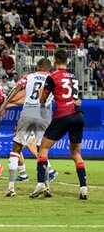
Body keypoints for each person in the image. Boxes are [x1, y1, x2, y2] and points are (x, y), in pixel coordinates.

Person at [29, 49, 87, 200]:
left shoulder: (52, 77)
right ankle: (83, 188)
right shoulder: (74, 76)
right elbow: (74, 96)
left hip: (63, 114)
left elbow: (42, 99)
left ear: (54, 60)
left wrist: (43, 95)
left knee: (43, 148)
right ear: (67, 61)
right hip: (78, 114)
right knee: (76, 153)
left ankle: (41, 183)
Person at [0, 58, 56, 197]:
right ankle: (46, 186)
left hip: (28, 112)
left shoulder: (29, 77)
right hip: (44, 114)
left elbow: (15, 89)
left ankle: (11, 187)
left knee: (16, 149)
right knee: (42, 151)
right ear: (49, 68)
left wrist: (4, 105)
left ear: (37, 67)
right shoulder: (53, 78)